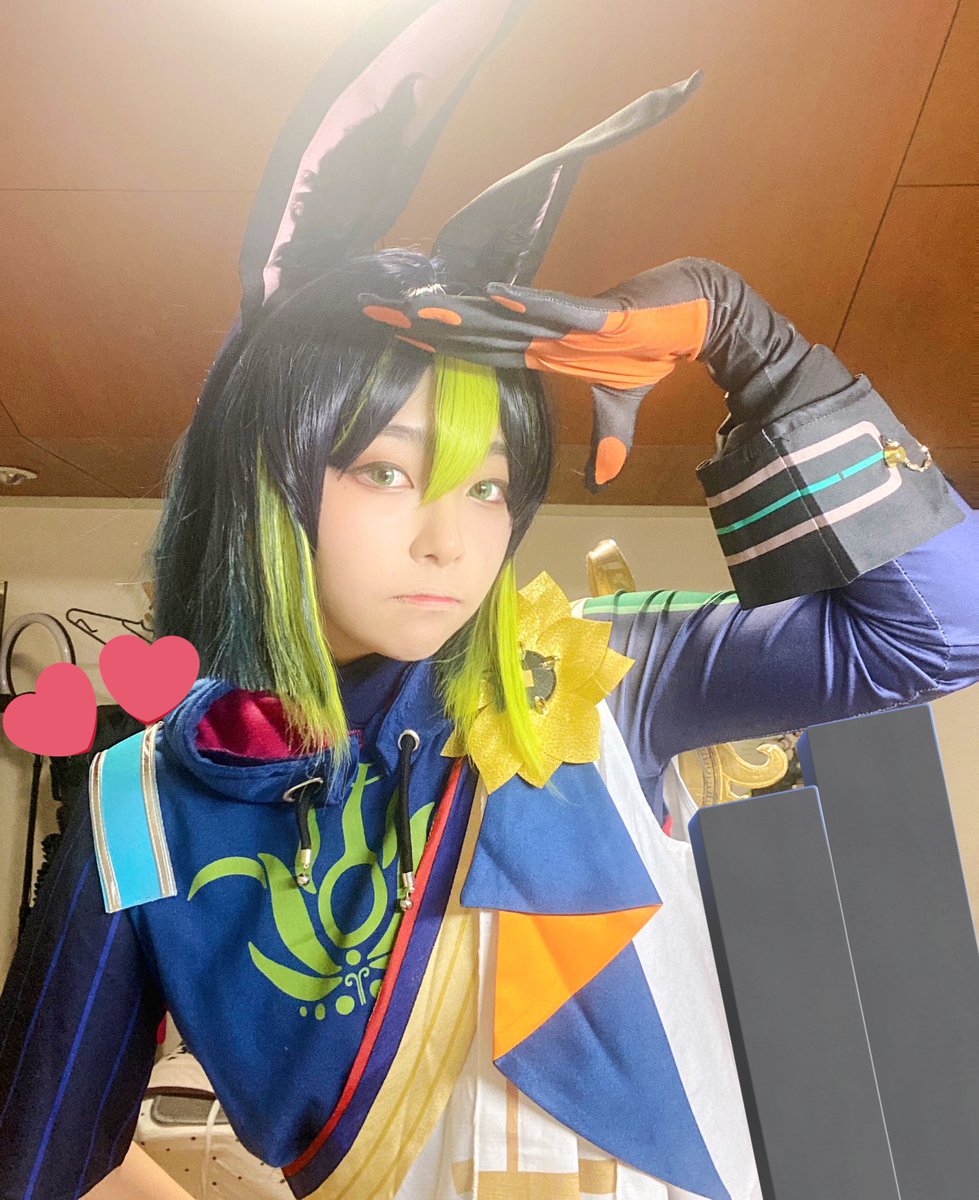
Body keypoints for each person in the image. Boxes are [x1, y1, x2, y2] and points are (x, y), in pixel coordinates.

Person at [2, 2, 977, 1198]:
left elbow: (939, 633)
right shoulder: (142, 802)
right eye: (384, 471)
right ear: (268, 482)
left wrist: (759, 351)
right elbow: (39, 1158)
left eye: (487, 485)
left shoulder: (598, 672)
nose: (447, 539)